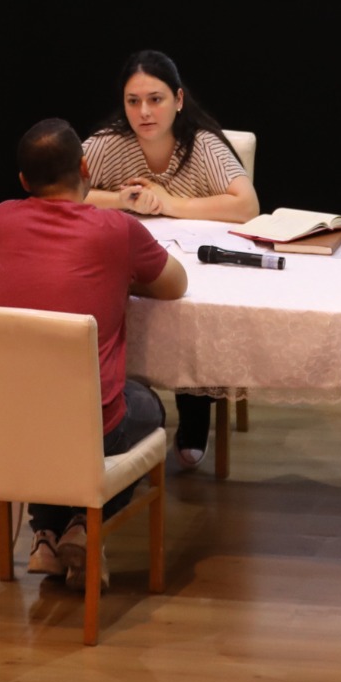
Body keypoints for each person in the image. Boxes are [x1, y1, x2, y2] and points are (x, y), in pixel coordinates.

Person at [0, 117, 188, 590]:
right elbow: (174, 284)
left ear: (23, 182)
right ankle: (82, 525)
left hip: (9, 424)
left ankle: (45, 535)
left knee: (47, 416)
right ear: (84, 168)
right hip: (90, 427)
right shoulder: (115, 229)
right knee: (146, 407)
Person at [80, 50, 259, 471]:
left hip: (197, 263)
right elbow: (66, 192)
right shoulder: (107, 144)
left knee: (189, 310)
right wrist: (120, 200)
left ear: (178, 100)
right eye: (133, 101)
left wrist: (169, 203)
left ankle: (194, 411)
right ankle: (119, 401)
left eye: (155, 99)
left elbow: (247, 206)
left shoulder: (201, 143)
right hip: (133, 262)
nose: (144, 112)